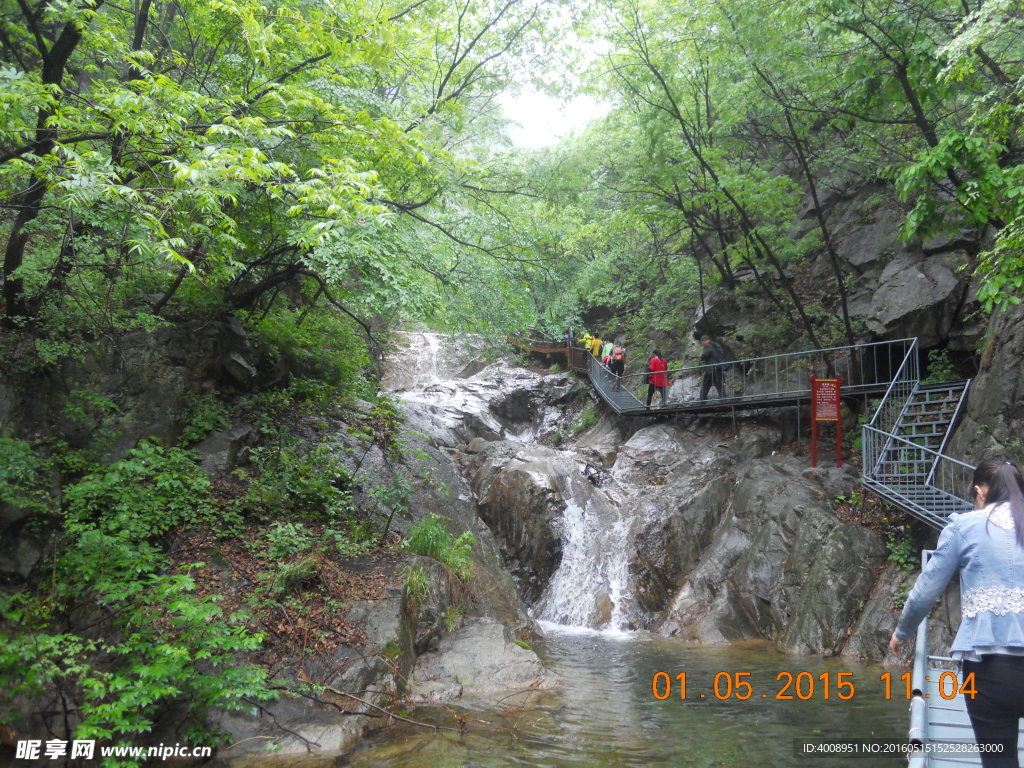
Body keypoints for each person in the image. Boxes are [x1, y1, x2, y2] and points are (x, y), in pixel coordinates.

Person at [890, 459, 1024, 767]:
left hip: (990, 668)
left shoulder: (965, 527)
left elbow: (926, 590)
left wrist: (903, 631)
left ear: (980, 491)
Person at [699, 335, 727, 400]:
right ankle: (724, 401)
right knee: (720, 386)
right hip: (718, 368)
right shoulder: (716, 345)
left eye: (702, 342)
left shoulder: (709, 346)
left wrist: (701, 356)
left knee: (705, 385)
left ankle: (702, 402)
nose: (702, 344)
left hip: (711, 370)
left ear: (705, 340)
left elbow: (705, 355)